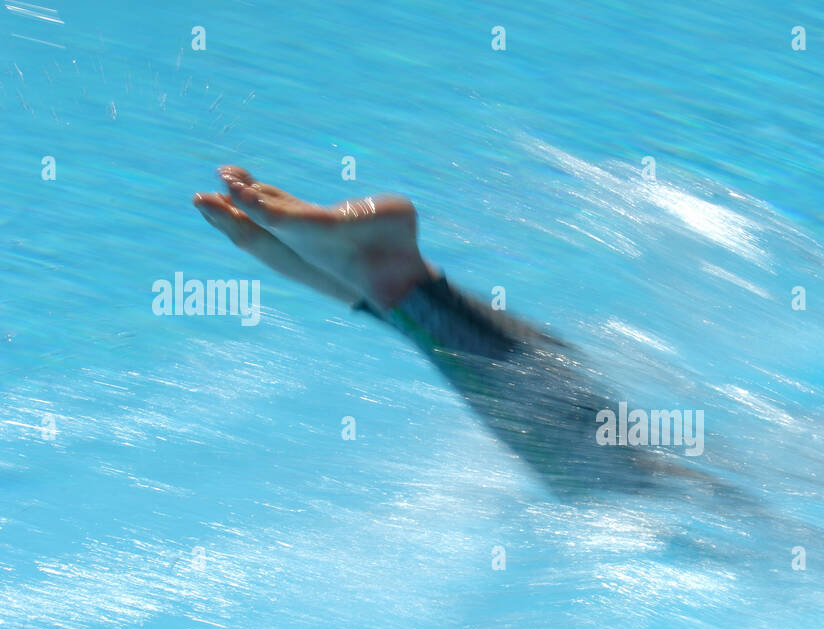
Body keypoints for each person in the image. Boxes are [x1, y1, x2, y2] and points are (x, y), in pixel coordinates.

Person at [193, 167, 708, 496]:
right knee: (617, 469)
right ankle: (397, 279)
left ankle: (370, 271)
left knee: (612, 458)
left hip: (547, 381)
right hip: (558, 404)